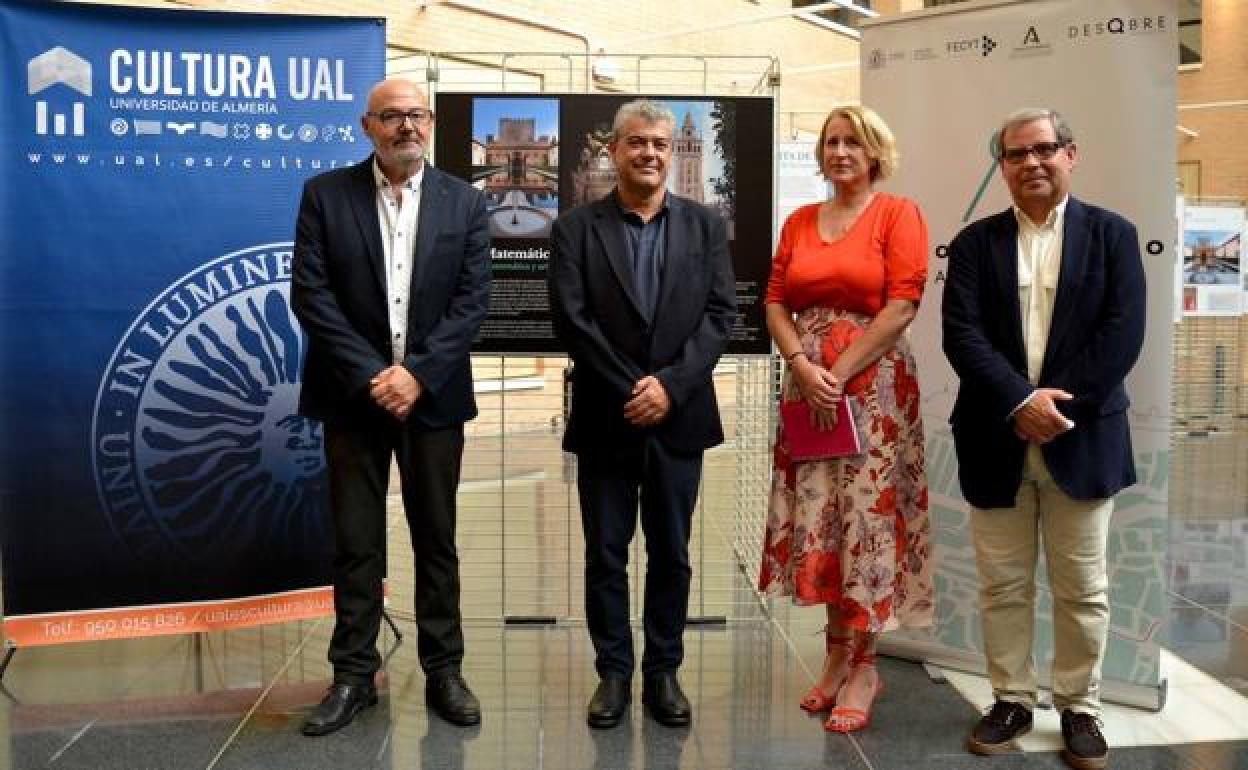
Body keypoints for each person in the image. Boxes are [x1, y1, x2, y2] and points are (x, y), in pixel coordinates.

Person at [942, 108, 1146, 770]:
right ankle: (1011, 700)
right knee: (1002, 584)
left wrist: (1056, 405)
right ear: (1001, 166)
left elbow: (1121, 334)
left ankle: (1080, 707)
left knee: (1082, 585)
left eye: (1044, 150)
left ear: (1070, 154)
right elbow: (962, 335)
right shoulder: (974, 244)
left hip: (1082, 437)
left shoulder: (1114, 236)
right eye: (1015, 155)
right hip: (995, 436)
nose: (1031, 163)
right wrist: (1018, 401)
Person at [291, 78, 490, 735]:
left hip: (433, 400)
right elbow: (311, 295)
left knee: (437, 538)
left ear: (430, 123)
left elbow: (471, 303)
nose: (406, 127)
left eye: (416, 115)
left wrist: (418, 376)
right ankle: (353, 676)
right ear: (366, 125)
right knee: (355, 541)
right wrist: (377, 374)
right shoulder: (326, 196)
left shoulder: (465, 203)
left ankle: (444, 671)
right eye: (392, 117)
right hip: (353, 396)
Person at [548, 99, 736, 730]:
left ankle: (663, 672)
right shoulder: (575, 228)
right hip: (608, 415)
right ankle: (613, 673)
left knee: (672, 552)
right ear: (615, 151)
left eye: (660, 143)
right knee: (606, 552)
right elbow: (571, 321)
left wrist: (671, 388)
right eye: (637, 144)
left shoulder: (705, 225)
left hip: (679, 418)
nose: (650, 153)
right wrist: (635, 387)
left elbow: (719, 316)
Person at [757, 105, 933, 733]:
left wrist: (840, 370)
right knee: (821, 520)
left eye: (852, 142)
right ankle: (834, 654)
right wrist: (804, 367)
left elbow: (902, 304)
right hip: (809, 390)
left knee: (866, 521)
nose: (839, 151)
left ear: (875, 152)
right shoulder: (801, 221)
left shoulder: (897, 214)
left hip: (874, 388)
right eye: (830, 142)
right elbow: (775, 301)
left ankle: (865, 665)